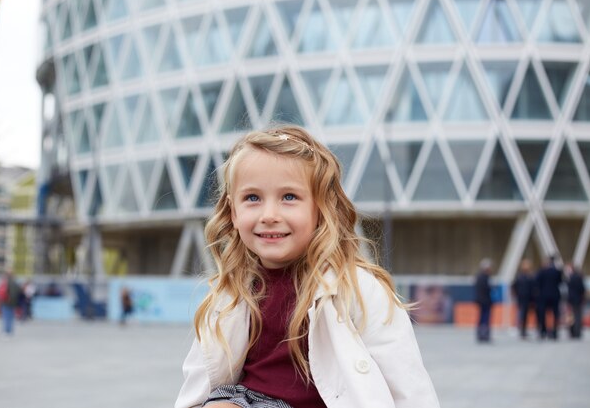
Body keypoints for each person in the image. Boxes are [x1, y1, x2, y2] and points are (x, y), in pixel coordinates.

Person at [175, 125, 440, 408]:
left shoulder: (357, 287)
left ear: (320, 210)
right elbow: (200, 375)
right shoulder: (231, 292)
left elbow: (407, 382)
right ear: (233, 213)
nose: (269, 215)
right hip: (244, 400)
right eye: (252, 198)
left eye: (289, 197)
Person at [535, 255, 563, 340]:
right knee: (555, 314)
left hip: (543, 296)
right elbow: (560, 282)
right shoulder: (557, 271)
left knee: (542, 314)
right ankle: (554, 332)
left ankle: (543, 331)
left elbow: (537, 282)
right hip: (555, 295)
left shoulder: (542, 271)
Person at [511, 259, 536, 339]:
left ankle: (523, 330)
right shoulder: (520, 277)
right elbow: (514, 287)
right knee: (521, 314)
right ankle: (521, 329)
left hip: (527, 299)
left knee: (525, 315)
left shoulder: (530, 277)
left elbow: (533, 288)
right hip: (521, 299)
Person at [0, 270, 21, 335]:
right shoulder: (15, 283)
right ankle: (9, 331)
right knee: (10, 317)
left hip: (4, 302)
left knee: (5, 317)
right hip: (12, 303)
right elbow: (18, 292)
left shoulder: (4, 282)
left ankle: (6, 331)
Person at [474, 258, 493, 343]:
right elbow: (487, 290)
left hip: (481, 301)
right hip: (485, 301)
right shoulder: (484, 277)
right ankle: (484, 334)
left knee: (482, 318)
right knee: (485, 318)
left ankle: (481, 334)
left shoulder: (479, 277)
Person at [565, 263, 586, 339]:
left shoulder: (570, 278)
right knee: (578, 316)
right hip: (578, 299)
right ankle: (577, 332)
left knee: (571, 316)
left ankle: (573, 332)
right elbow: (582, 289)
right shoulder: (579, 277)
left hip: (571, 299)